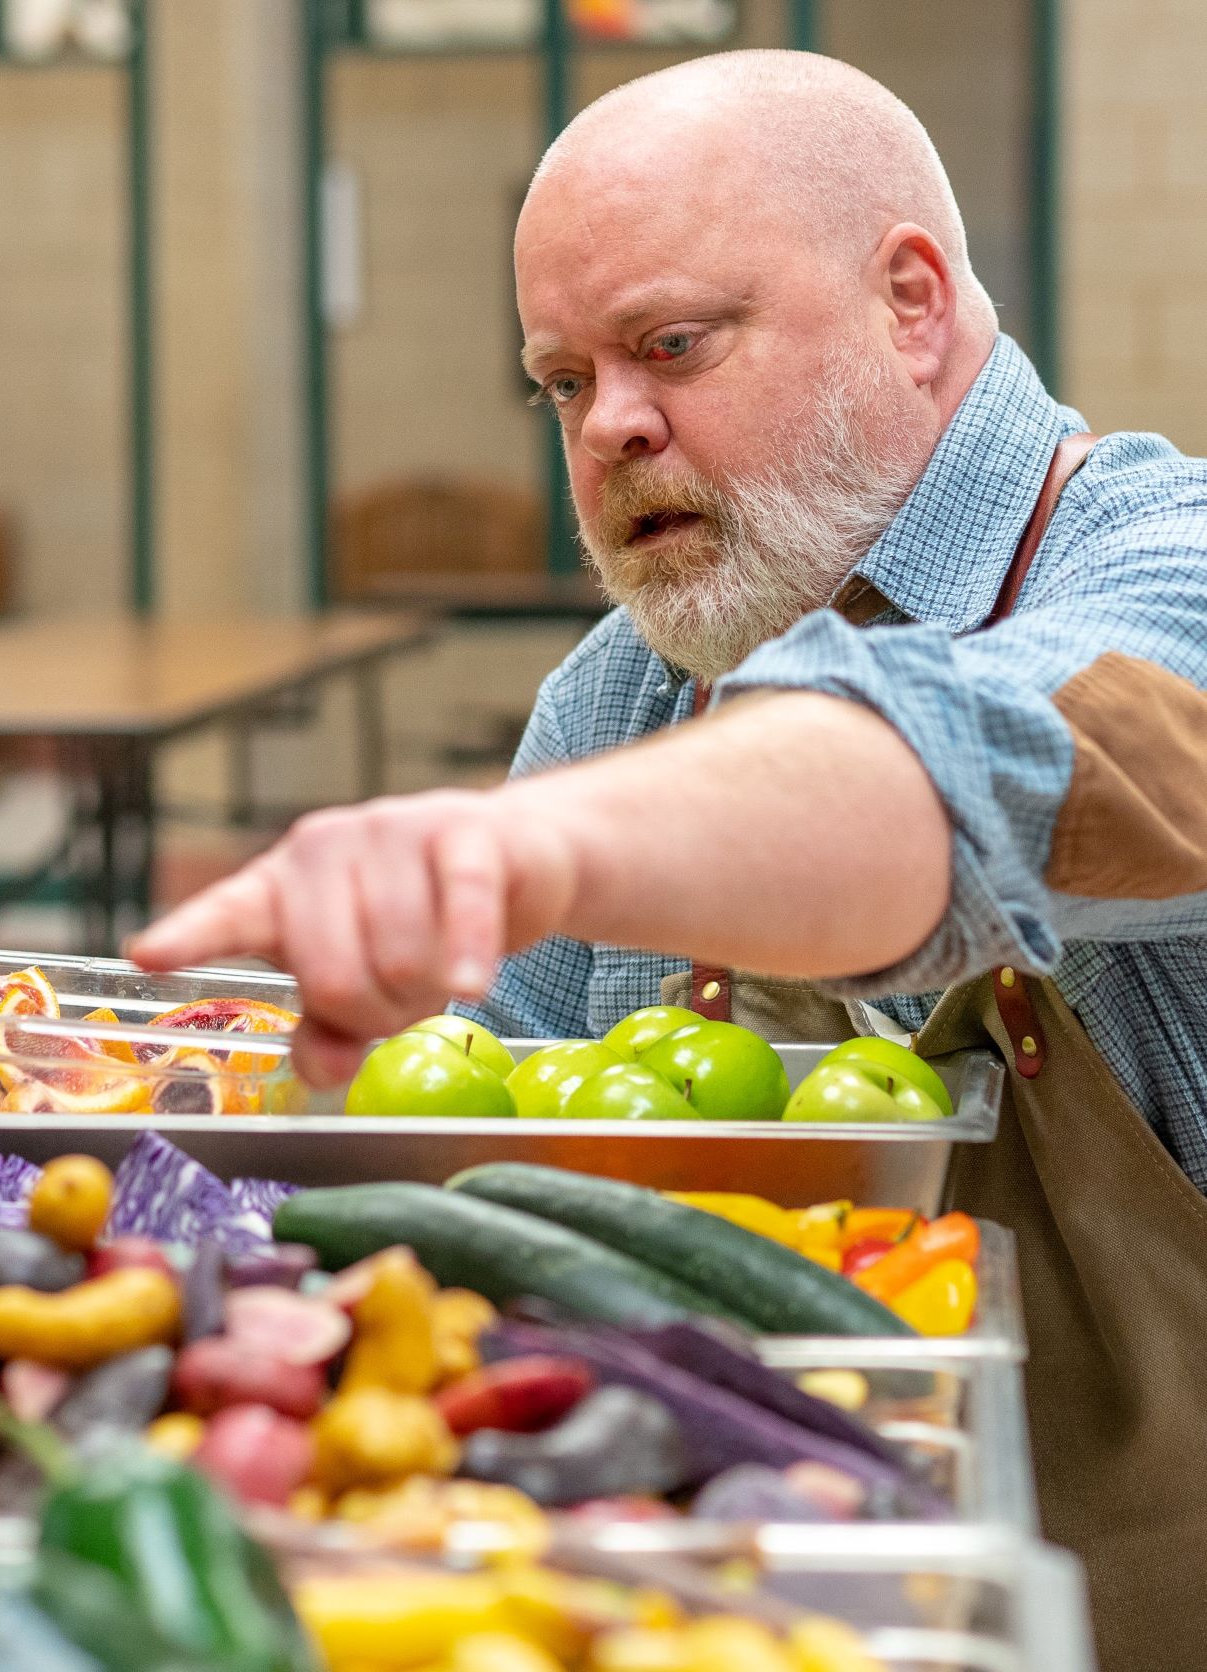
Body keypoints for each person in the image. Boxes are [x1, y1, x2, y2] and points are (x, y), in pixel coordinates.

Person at [133, 51, 1207, 1670]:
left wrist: (536, 848)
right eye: (560, 382)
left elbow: (976, 763)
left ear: (911, 304)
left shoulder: (1166, 573)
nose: (609, 427)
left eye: (669, 346)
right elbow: (481, 1187)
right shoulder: (609, 699)